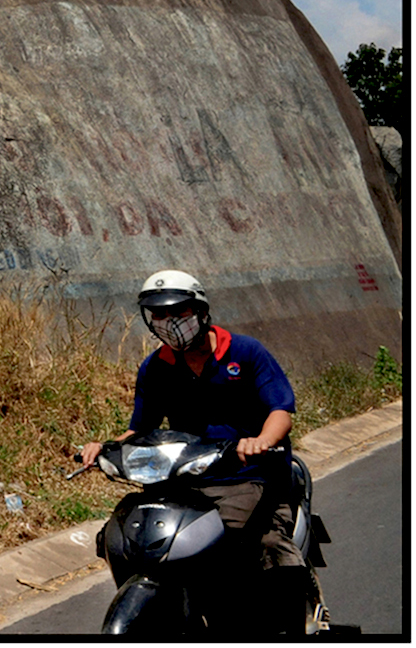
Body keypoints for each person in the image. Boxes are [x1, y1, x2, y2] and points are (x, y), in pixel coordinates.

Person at [78, 268, 310, 635]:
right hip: (184, 479)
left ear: (201, 311)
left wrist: (261, 440)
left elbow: (280, 411)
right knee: (122, 536)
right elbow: (140, 429)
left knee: (263, 545)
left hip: (249, 475)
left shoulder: (246, 352)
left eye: (179, 312)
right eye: (158, 314)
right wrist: (106, 448)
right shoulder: (155, 368)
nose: (169, 322)